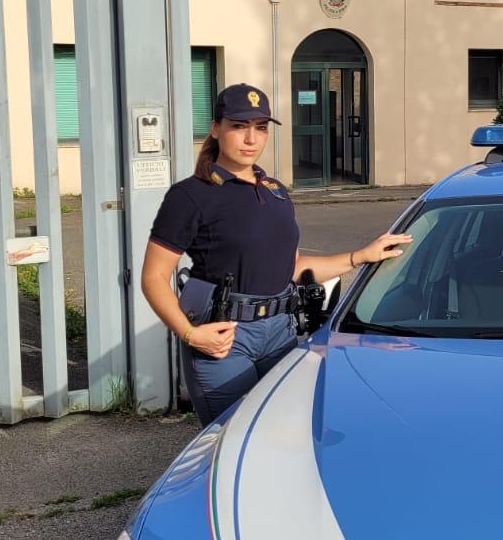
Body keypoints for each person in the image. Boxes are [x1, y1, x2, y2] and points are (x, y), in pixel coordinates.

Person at [140, 83, 410, 426]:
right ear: (215, 129)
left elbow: (294, 268)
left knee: (284, 434)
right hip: (225, 339)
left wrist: (361, 255)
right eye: (239, 126)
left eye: (261, 128)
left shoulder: (275, 192)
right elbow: (153, 277)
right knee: (232, 437)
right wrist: (191, 334)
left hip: (281, 332)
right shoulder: (191, 195)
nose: (251, 139)